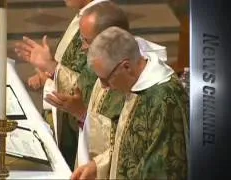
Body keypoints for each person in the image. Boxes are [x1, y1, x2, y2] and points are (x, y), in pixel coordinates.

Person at [44, 1, 169, 169]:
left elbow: (127, 142)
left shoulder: (147, 88)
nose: (83, 47)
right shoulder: (100, 65)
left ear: (107, 39)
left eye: (87, 41)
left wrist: (83, 114)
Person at [71, 27, 189, 180]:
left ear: (126, 66)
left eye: (106, 79)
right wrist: (98, 166)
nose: (104, 87)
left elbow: (160, 172)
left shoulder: (163, 101)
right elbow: (130, 149)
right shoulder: (137, 85)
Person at [14, 0, 108, 170]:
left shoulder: (100, 21)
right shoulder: (85, 15)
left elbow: (91, 85)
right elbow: (73, 66)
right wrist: (48, 73)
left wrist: (51, 67)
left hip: (86, 130)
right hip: (65, 119)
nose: (85, 46)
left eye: (87, 42)